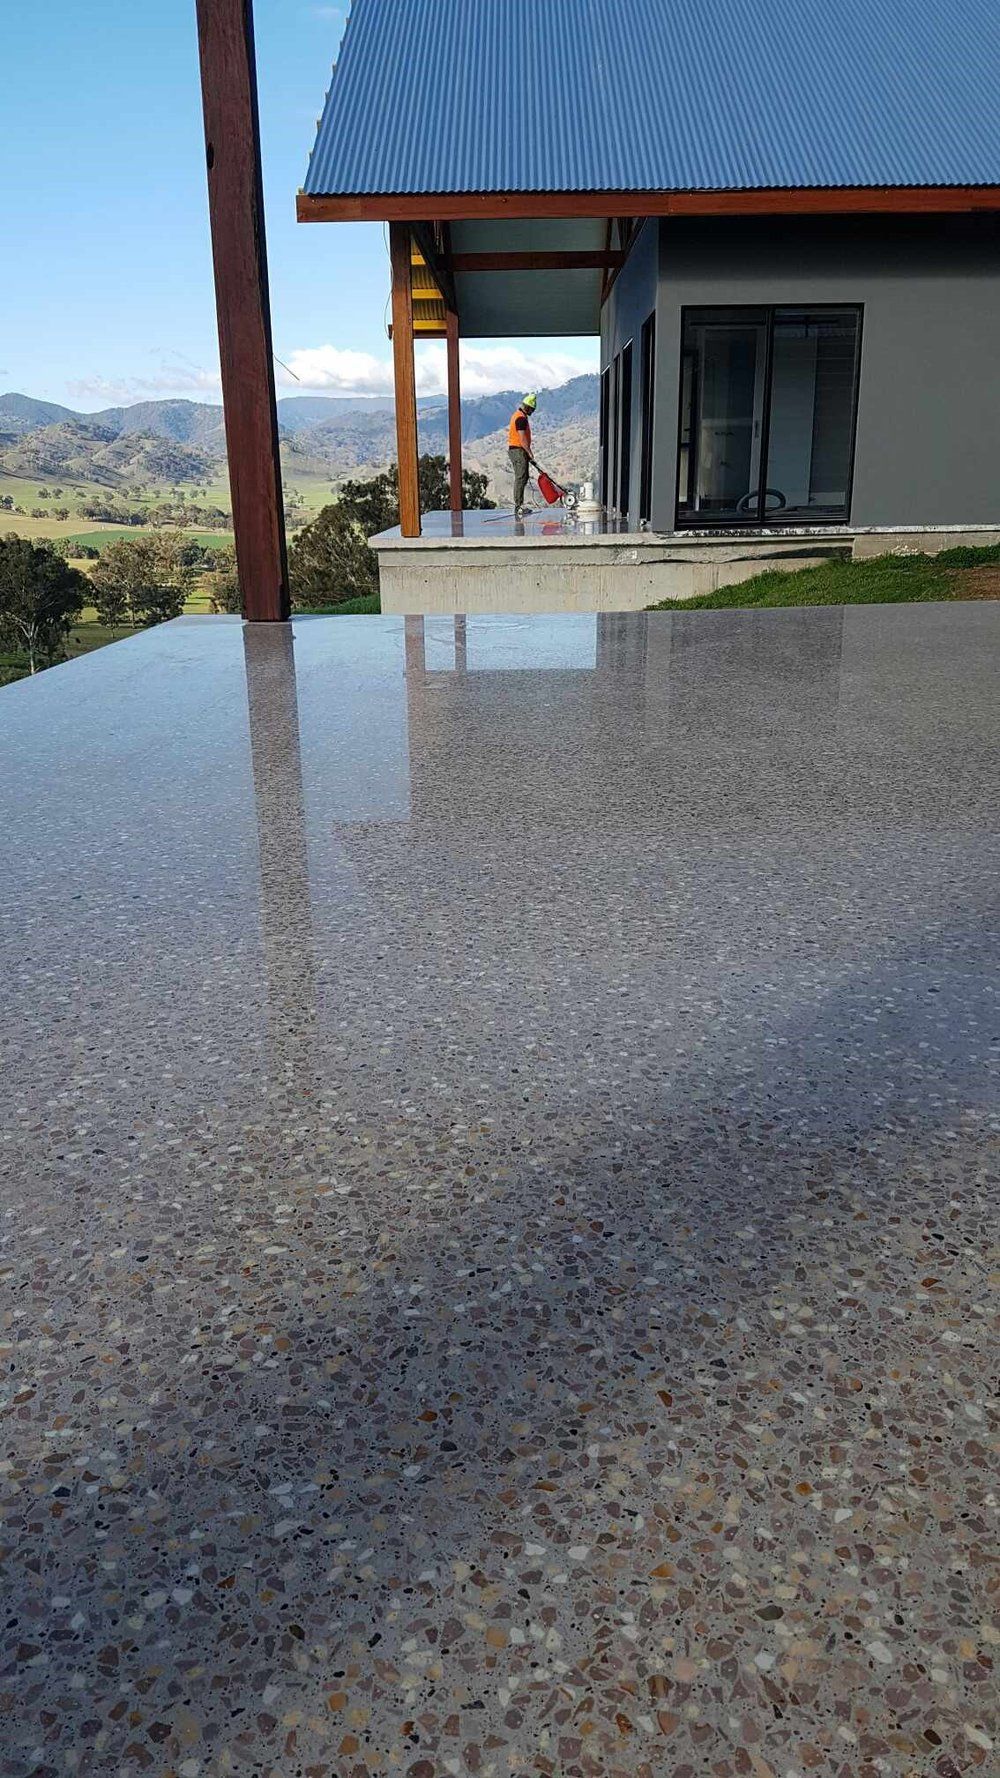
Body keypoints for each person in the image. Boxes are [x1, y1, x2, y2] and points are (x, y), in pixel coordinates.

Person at [508, 392, 538, 518]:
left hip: (519, 450)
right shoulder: (520, 418)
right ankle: (518, 506)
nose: (532, 412)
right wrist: (529, 452)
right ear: (527, 407)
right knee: (521, 477)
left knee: (524, 477)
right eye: (532, 409)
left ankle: (519, 505)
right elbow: (522, 438)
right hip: (518, 450)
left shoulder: (519, 416)